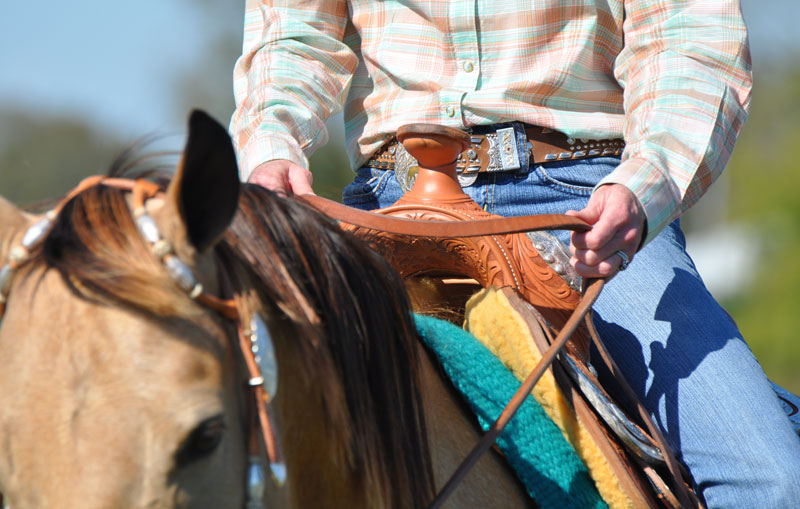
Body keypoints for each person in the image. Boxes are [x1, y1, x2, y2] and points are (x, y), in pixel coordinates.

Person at [229, 0, 800, 505]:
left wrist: (642, 183)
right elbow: (293, 33)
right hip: (386, 198)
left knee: (768, 482)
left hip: (585, 202)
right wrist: (270, 147)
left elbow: (688, 33)